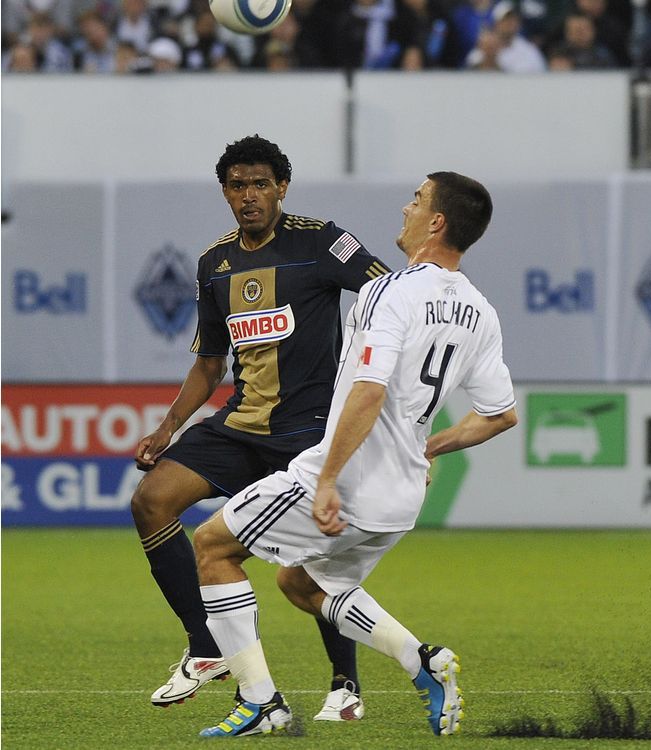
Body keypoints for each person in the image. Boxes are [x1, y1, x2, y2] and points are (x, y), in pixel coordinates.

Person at [191, 171, 517, 737]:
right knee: (301, 582)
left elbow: (369, 389)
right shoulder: (479, 311)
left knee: (213, 546)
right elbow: (501, 414)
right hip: (401, 499)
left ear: (436, 222)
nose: (406, 207)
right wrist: (425, 446)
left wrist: (326, 480)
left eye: (417, 200)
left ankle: (262, 701)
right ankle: (423, 662)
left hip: (348, 481)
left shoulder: (387, 291)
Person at [131, 135, 392, 720]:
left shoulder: (323, 241)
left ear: (282, 187)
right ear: (225, 192)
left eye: (259, 184)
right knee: (152, 500)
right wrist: (169, 426)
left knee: (313, 563)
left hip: (310, 433)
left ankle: (345, 686)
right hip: (241, 426)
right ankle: (205, 645)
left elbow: (389, 292)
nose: (249, 196)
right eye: (237, 185)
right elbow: (208, 363)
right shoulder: (214, 264)